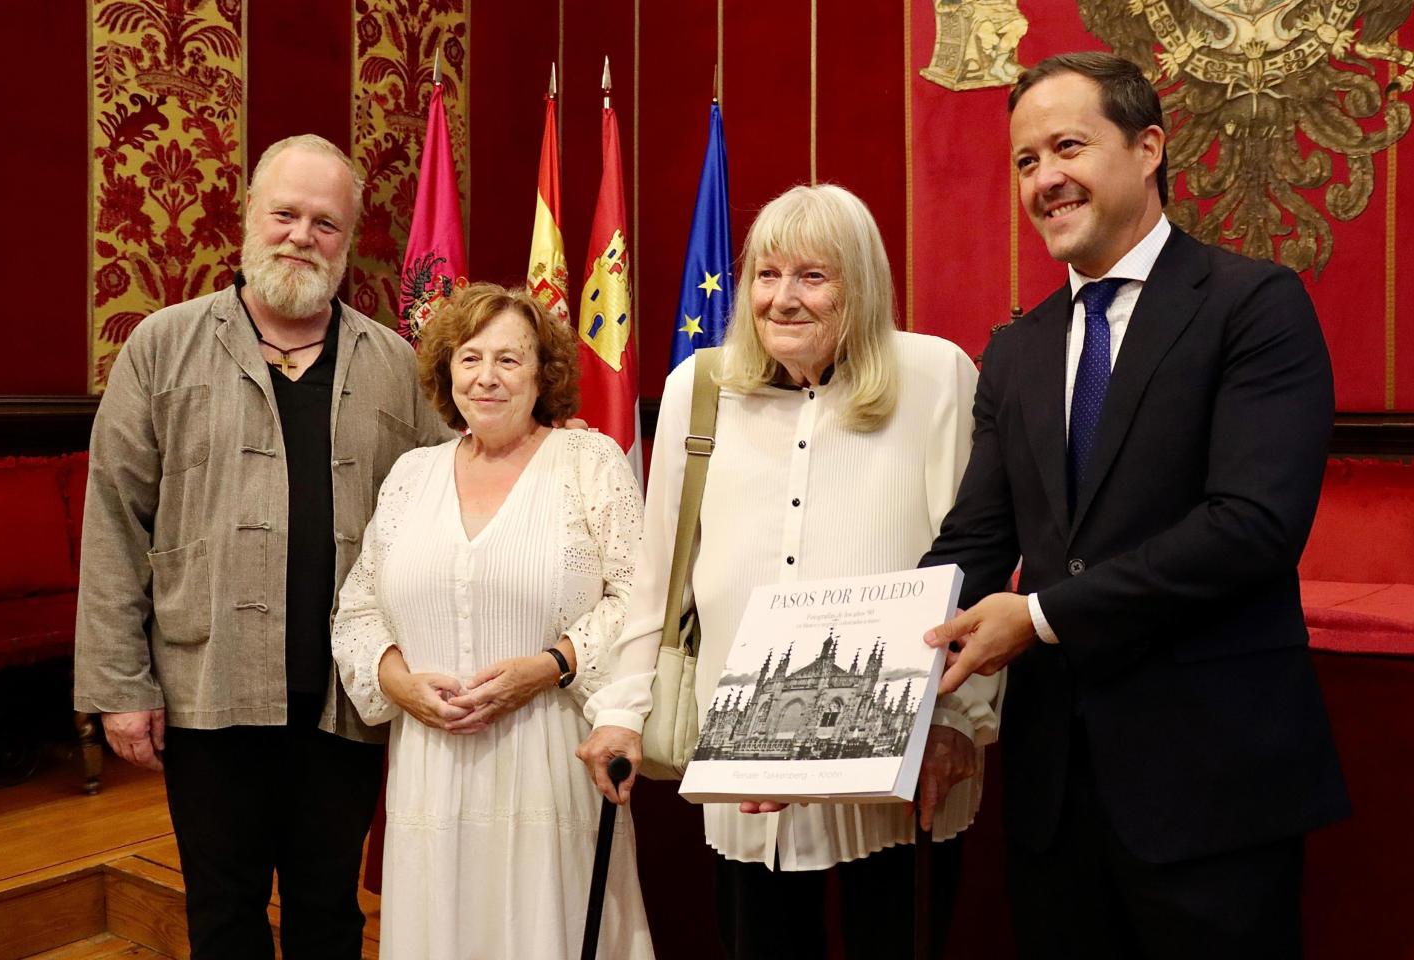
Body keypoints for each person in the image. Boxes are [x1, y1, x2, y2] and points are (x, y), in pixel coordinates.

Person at [920, 53, 1351, 957]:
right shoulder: (1015, 350)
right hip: (1054, 798)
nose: (1045, 179)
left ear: (1148, 146)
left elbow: (1253, 528)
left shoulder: (1255, 305)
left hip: (1214, 790)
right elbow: (970, 545)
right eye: (1025, 161)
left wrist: (1037, 617)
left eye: (1067, 146)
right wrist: (820, 730)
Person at [578, 183, 1003, 960]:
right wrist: (621, 707)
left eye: (814, 276)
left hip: (901, 753)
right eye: (767, 276)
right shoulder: (697, 389)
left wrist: (959, 719)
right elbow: (661, 569)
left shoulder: (937, 376)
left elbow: (974, 557)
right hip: (748, 754)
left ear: (862, 286)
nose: (783, 299)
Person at [73, 134, 449, 958]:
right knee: (223, 911)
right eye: (285, 213)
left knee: (330, 913)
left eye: (326, 224)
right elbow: (112, 520)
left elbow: (457, 500)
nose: (301, 236)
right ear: (248, 217)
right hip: (207, 695)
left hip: (344, 699)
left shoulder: (395, 365)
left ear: (348, 244)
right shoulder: (161, 346)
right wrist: (117, 685)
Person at [330, 283, 654, 959]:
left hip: (551, 759)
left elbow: (638, 600)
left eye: (510, 359)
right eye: (470, 358)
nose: (487, 377)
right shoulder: (410, 476)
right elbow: (359, 607)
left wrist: (550, 665)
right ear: (447, 372)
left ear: (544, 373)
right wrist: (399, 684)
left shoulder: (588, 463)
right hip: (430, 767)